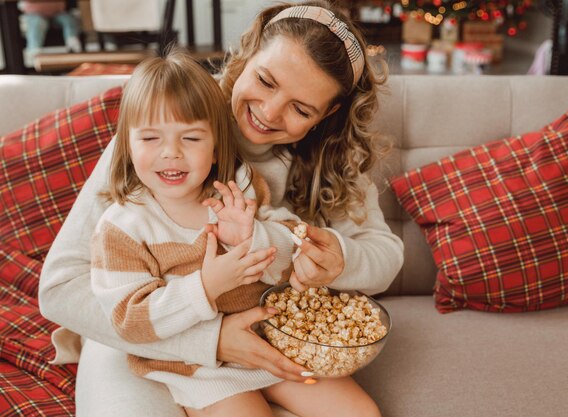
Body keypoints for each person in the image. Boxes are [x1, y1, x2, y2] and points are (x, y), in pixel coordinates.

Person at [39, 1, 404, 416]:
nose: (269, 112)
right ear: (246, 54)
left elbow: (384, 255)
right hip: (141, 338)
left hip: (268, 330)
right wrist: (209, 339)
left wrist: (340, 259)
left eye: (301, 109)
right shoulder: (173, 126)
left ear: (329, 114)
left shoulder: (335, 158)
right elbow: (60, 289)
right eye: (265, 81)